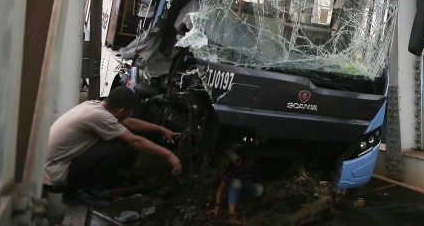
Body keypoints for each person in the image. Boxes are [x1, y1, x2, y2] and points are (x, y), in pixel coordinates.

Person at [44, 86, 182, 205]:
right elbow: (135, 142)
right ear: (122, 111)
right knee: (121, 146)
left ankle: (87, 186)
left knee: (114, 141)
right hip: (55, 177)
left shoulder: (93, 105)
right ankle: (78, 192)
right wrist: (169, 155)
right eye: (129, 111)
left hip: (47, 168)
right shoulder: (99, 116)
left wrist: (161, 129)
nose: (129, 115)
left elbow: (130, 123)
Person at [207, 156, 263, 222]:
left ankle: (240, 201)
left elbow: (259, 181)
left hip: (242, 191)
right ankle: (232, 215)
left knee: (259, 189)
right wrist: (217, 205)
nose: (250, 163)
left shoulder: (254, 168)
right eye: (247, 160)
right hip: (229, 192)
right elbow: (221, 188)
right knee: (237, 182)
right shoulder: (234, 168)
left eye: (251, 160)